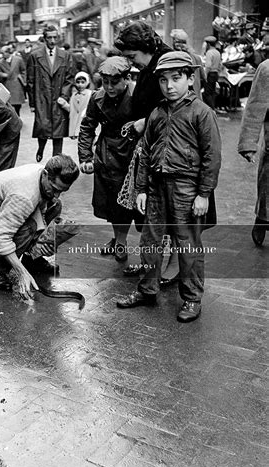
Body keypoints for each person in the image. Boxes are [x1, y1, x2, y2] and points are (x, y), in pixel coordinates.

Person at [115, 51, 222, 323]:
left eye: (176, 78)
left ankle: (191, 298)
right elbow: (146, 152)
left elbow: (212, 157)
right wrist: (140, 189)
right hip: (156, 187)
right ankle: (147, 290)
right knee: (150, 241)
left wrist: (203, 194)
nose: (169, 86)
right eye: (163, 80)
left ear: (189, 78)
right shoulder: (157, 113)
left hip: (187, 188)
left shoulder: (201, 113)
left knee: (187, 245)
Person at [0, 154, 79, 299]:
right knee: (28, 227)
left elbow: (42, 209)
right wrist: (21, 272)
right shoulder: (23, 197)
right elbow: (1, 237)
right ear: (45, 174)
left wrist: (41, 243)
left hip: (4, 204)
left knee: (55, 205)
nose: (57, 194)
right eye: (55, 188)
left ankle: (31, 258)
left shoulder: (42, 174)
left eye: (62, 191)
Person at [114, 20, 174, 278]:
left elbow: (175, 106)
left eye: (131, 56)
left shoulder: (167, 63)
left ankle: (172, 266)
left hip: (168, 150)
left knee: (167, 211)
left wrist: (145, 121)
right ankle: (152, 262)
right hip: (152, 146)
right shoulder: (152, 62)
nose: (131, 62)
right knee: (151, 211)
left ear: (144, 47)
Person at [78, 57, 135, 262]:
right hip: (106, 154)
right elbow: (87, 126)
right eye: (105, 82)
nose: (109, 87)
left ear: (126, 79)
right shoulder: (96, 98)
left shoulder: (137, 96)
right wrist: (85, 156)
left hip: (131, 153)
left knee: (130, 202)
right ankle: (119, 239)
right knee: (112, 202)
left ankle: (125, 241)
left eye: (114, 82)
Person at [27, 24, 75, 162]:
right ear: (44, 38)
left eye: (55, 37)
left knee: (58, 131)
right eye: (49, 38)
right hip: (41, 97)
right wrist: (32, 103)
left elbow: (69, 78)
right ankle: (40, 148)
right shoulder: (35, 56)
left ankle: (56, 159)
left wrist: (64, 96)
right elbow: (30, 80)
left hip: (58, 97)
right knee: (43, 127)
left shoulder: (65, 56)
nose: (52, 41)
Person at [237, 59, 269, 246]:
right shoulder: (266, 69)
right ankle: (263, 218)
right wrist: (248, 143)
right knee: (267, 185)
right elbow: (255, 108)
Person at [170, 29, 206, 100]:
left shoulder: (172, 57)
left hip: (181, 98)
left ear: (175, 42)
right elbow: (203, 78)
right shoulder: (196, 57)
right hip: (195, 98)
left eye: (174, 40)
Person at [58, 71, 92, 139]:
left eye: (83, 82)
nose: (80, 84)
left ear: (87, 83)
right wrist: (64, 104)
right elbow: (71, 109)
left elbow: (91, 107)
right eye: (78, 82)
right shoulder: (74, 95)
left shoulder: (90, 94)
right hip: (75, 125)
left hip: (85, 123)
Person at [0, 45, 26, 116]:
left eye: (3, 53)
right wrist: (3, 75)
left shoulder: (18, 59)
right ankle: (11, 117)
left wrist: (23, 79)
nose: (2, 55)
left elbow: (23, 70)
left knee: (17, 103)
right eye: (1, 53)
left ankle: (18, 115)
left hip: (16, 83)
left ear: (9, 52)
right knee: (8, 103)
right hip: (7, 83)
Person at [202, 35, 222, 110]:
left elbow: (208, 66)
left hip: (210, 74)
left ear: (208, 44)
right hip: (215, 73)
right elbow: (220, 65)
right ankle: (213, 107)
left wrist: (205, 75)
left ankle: (211, 108)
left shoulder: (209, 53)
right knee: (212, 92)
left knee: (207, 93)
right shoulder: (217, 52)